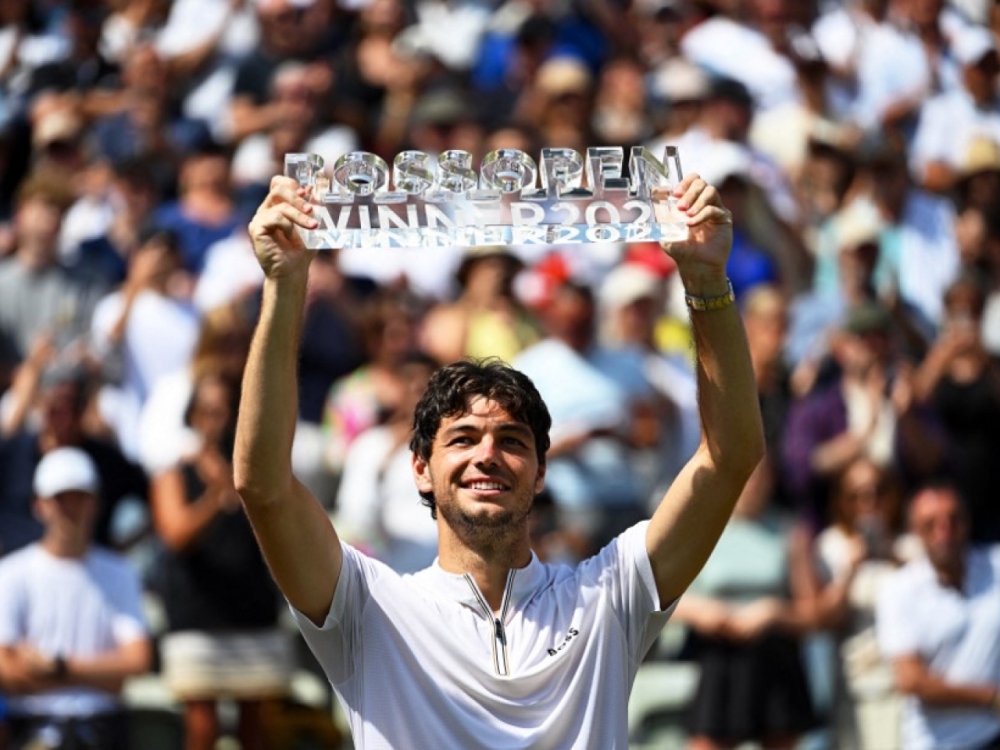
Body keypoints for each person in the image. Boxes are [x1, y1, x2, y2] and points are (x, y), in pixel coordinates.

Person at [233, 172, 764, 747]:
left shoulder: (609, 595)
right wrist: (284, 286)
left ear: (541, 472)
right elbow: (263, 485)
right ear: (420, 469)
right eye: (462, 439)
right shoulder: (368, 608)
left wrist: (706, 281)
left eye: (512, 441)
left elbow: (730, 457)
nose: (487, 455)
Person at [151, 372, 290, 750]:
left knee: (256, 732)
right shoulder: (173, 474)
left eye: (226, 410)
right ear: (193, 416)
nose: (218, 420)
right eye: (208, 411)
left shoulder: (259, 475)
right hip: (196, 616)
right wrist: (216, 495)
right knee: (202, 730)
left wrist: (233, 484)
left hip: (252, 612)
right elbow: (176, 536)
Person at [0, 447, 151, 750]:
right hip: (33, 726)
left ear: (95, 504)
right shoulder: (11, 573)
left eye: (79, 498)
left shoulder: (120, 572)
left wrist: (56, 667)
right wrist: (102, 676)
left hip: (102, 726)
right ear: (39, 505)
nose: (71, 509)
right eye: (61, 499)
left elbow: (137, 659)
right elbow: (6, 670)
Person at [875, 480, 1000, 750]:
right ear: (914, 531)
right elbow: (910, 680)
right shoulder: (899, 590)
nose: (944, 532)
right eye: (930, 524)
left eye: (953, 520)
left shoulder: (994, 565)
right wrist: (989, 697)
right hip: (937, 743)